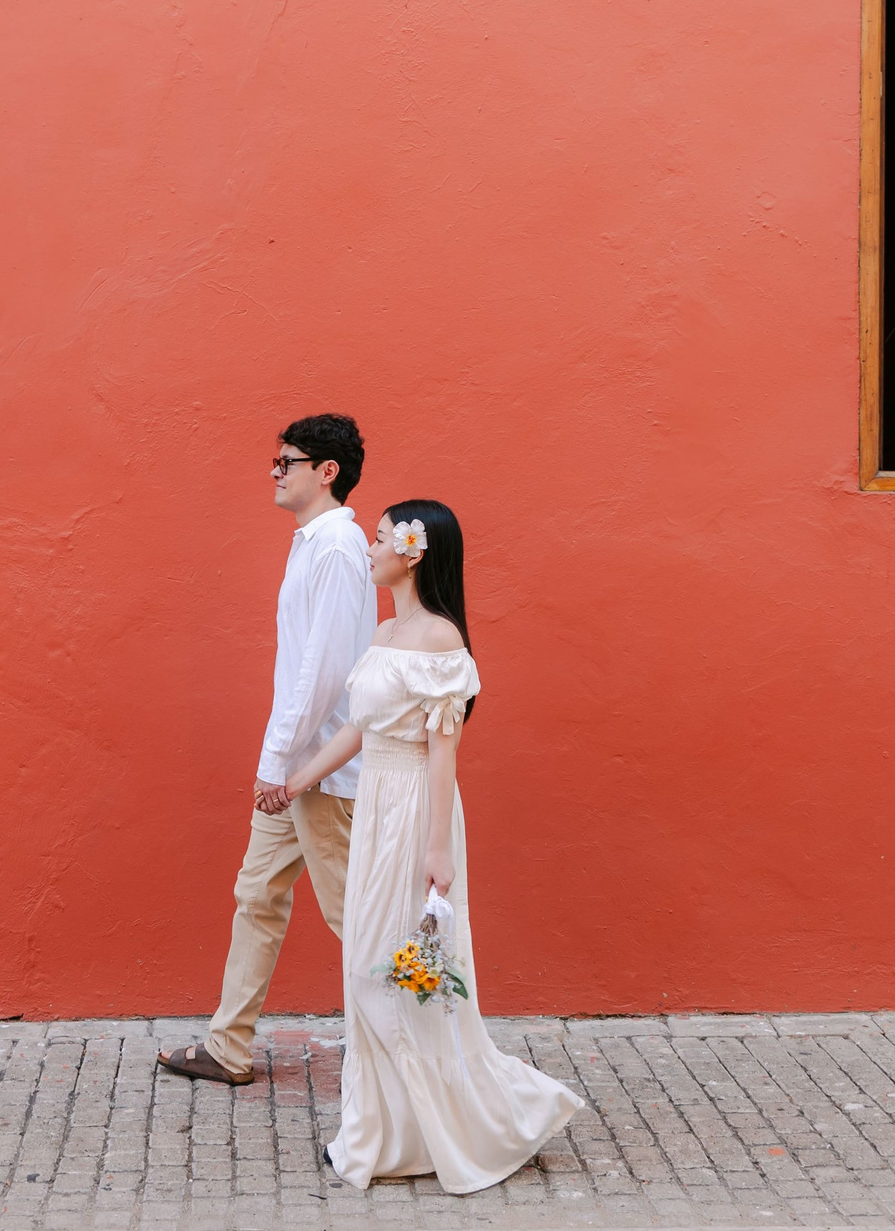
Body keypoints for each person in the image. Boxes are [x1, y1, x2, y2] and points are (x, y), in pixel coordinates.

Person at [280, 499, 583, 1192]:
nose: (371, 547)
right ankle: (384, 1132)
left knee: (398, 969)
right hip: (377, 805)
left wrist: (437, 850)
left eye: (382, 536)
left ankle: (468, 1121)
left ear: (413, 551)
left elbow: (444, 753)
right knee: (367, 963)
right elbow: (362, 727)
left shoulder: (442, 638)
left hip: (416, 807)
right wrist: (301, 775)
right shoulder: (386, 628)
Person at [158, 414, 376, 1087]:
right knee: (257, 893)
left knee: (356, 918)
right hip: (296, 766)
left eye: (288, 460)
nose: (275, 470)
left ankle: (423, 1043)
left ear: (326, 471)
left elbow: (323, 670)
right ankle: (228, 1047)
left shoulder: (336, 548)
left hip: (318, 772)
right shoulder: (314, 543)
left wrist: (276, 764)